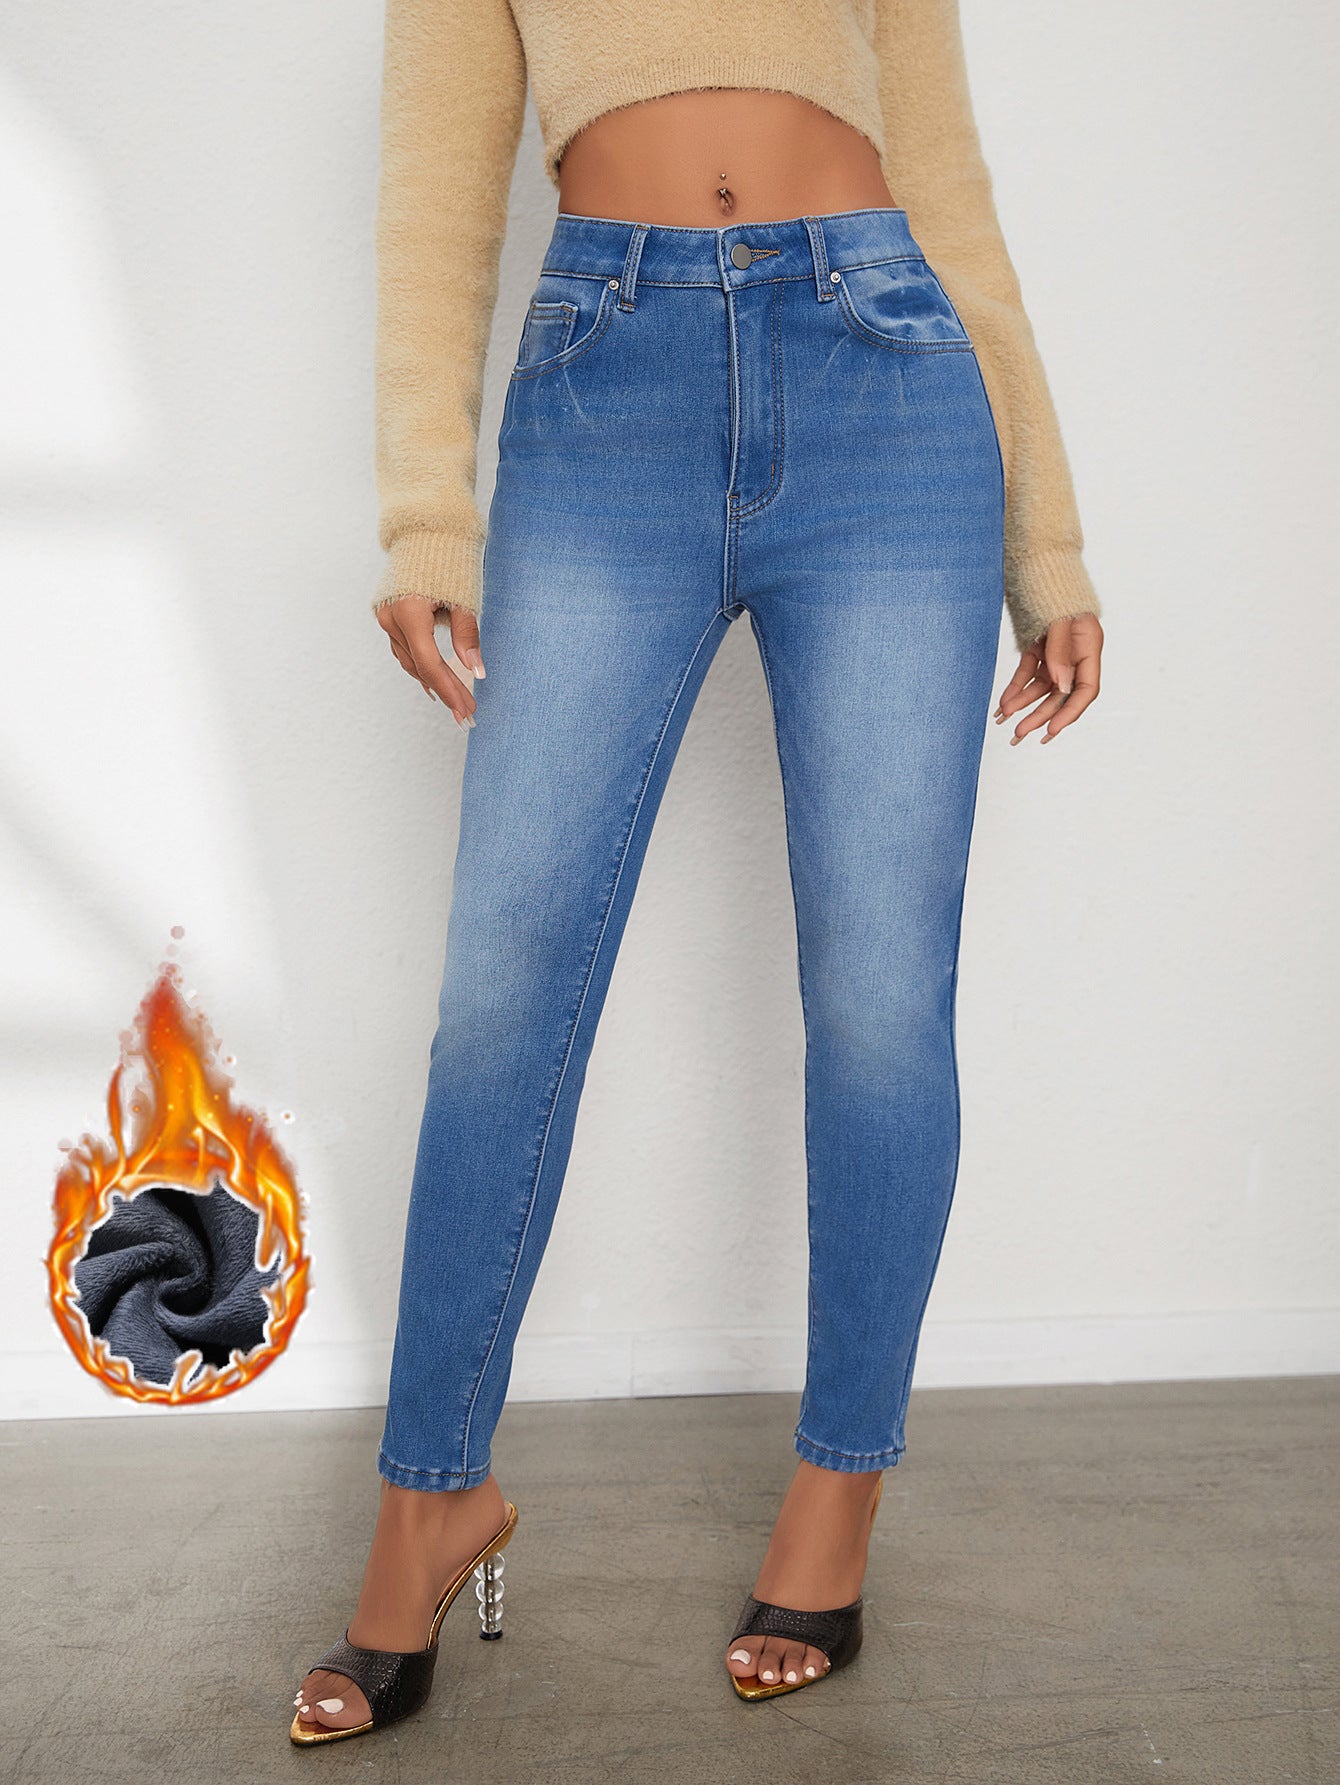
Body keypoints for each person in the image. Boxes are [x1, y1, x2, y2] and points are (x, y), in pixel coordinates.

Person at [290, 0, 1104, 1745]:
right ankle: (430, 1496)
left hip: (889, 369)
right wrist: (426, 511)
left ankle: (836, 1496)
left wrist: (1048, 542)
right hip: (608, 378)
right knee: (503, 993)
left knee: (881, 993)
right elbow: (436, 206)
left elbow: (947, 189)